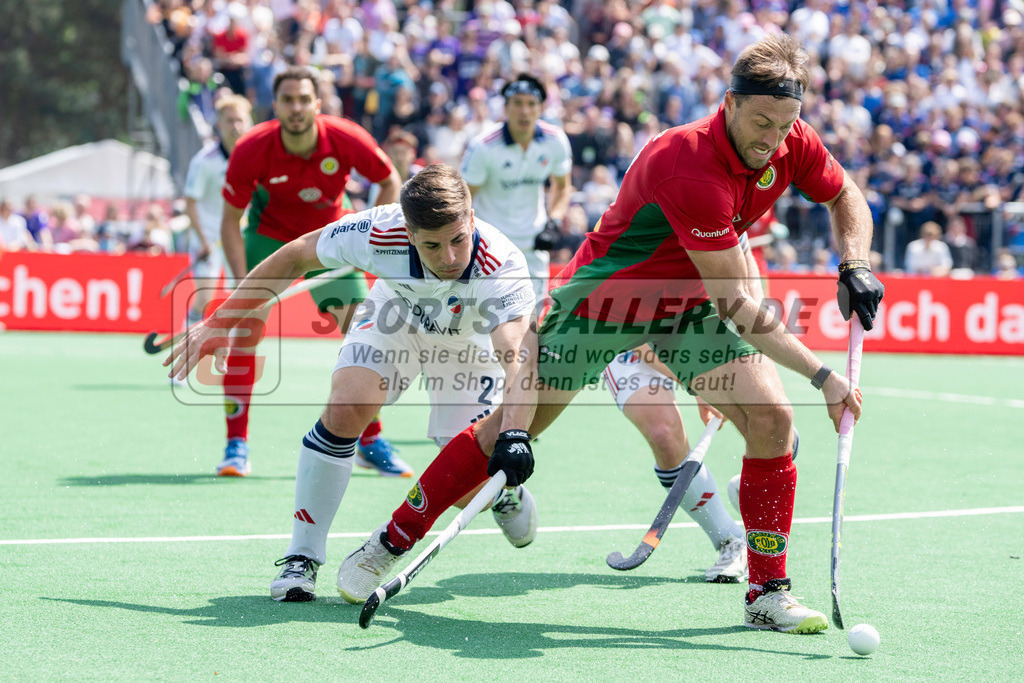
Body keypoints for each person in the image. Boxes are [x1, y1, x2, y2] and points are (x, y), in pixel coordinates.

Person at [337, 34, 884, 635]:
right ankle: (390, 541)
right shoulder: (690, 165)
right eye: (761, 122)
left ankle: (766, 592)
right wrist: (824, 377)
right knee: (508, 433)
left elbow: (845, 195)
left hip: (686, 308)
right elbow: (739, 305)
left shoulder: (790, 139)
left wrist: (853, 261)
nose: (773, 140)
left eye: (785, 126)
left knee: (771, 421)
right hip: (602, 303)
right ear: (727, 102)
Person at [165, 164, 539, 602]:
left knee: (461, 467)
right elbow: (296, 255)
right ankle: (301, 558)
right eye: (432, 245)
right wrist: (218, 322)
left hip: (471, 343)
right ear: (409, 232)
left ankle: (502, 498)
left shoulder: (501, 264)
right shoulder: (381, 230)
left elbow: (517, 356)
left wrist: (513, 435)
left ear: (471, 218)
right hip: (396, 315)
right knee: (345, 408)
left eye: (458, 239)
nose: (450, 258)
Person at [218, 65, 402, 478]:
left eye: (304, 100)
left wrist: (368, 236)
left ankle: (370, 441)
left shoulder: (346, 138)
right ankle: (236, 445)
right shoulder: (252, 148)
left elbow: (390, 182)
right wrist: (240, 278)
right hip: (269, 241)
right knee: (246, 331)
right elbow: (231, 220)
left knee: (361, 331)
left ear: (317, 104)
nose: (296, 108)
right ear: (276, 106)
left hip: (331, 240)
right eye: (288, 100)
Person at [460, 73, 573, 312]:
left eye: (531, 104)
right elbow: (463, 198)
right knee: (487, 321)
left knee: (531, 322)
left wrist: (553, 222)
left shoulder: (555, 140)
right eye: (518, 103)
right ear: (506, 107)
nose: (525, 111)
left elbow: (562, 186)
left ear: (541, 108)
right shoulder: (484, 146)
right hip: (490, 245)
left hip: (534, 243)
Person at [180, 95, 254, 335]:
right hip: (209, 235)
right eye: (230, 120)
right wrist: (201, 240)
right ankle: (188, 338)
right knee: (205, 294)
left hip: (238, 235)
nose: (236, 126)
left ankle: (232, 352)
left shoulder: (255, 156)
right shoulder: (204, 161)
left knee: (239, 296)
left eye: (240, 120)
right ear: (219, 124)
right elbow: (190, 203)